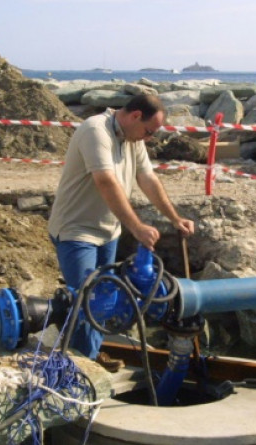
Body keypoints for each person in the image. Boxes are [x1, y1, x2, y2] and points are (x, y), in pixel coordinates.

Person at [48, 94, 195, 361]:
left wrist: (175, 218)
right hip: (77, 231)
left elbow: (147, 178)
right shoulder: (96, 130)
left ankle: (91, 355)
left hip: (108, 233)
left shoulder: (132, 138)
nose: (148, 138)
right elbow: (105, 181)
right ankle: (78, 369)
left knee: (103, 300)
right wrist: (136, 227)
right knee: (86, 303)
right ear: (135, 116)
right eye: (148, 131)